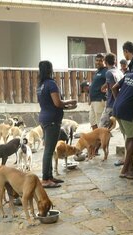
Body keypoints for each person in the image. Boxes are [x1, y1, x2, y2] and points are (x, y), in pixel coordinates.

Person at [36, 60, 77, 188]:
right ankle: (45, 179)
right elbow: (57, 103)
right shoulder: (51, 84)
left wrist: (66, 107)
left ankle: (49, 176)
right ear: (50, 70)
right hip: (52, 120)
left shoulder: (40, 85)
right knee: (49, 150)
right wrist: (71, 101)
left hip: (44, 118)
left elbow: (49, 103)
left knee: (50, 148)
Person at [99, 53, 123, 129]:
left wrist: (117, 102)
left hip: (112, 104)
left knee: (101, 129)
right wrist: (104, 86)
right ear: (115, 61)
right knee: (121, 128)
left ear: (105, 62)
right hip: (120, 102)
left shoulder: (109, 73)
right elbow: (111, 83)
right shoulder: (119, 72)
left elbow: (113, 88)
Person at [88, 53, 107, 130]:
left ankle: (102, 141)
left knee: (100, 123)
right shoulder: (97, 72)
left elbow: (111, 80)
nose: (98, 62)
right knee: (92, 121)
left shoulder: (106, 71)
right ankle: (97, 140)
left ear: (104, 61)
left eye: (100, 60)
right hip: (93, 100)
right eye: (97, 60)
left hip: (100, 100)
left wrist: (104, 86)